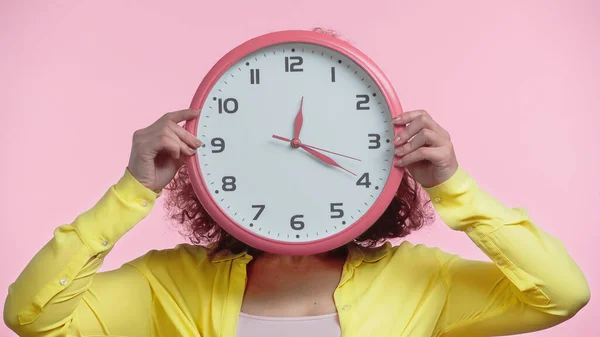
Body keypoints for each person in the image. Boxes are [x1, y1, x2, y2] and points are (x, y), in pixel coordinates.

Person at [3, 107, 590, 337]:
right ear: (219, 186)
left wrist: (454, 187)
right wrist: (132, 192)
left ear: (375, 180)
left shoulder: (423, 281)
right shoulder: (169, 282)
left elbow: (561, 294)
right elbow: (31, 315)